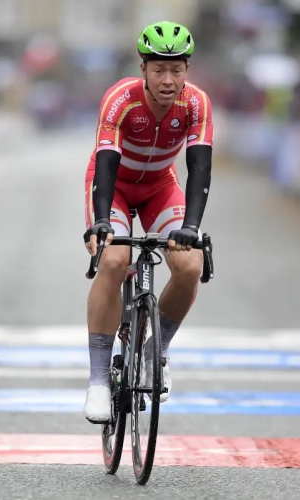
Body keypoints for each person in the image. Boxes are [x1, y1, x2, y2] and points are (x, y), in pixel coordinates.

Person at [82, 21, 214, 423]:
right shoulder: (120, 100)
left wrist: (190, 227)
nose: (168, 79)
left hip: (160, 185)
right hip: (114, 185)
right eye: (159, 70)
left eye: (177, 70)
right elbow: (105, 162)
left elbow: (199, 168)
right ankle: (100, 379)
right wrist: (102, 221)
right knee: (115, 260)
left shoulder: (196, 104)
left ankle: (158, 350)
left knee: (190, 265)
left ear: (187, 70)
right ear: (143, 69)